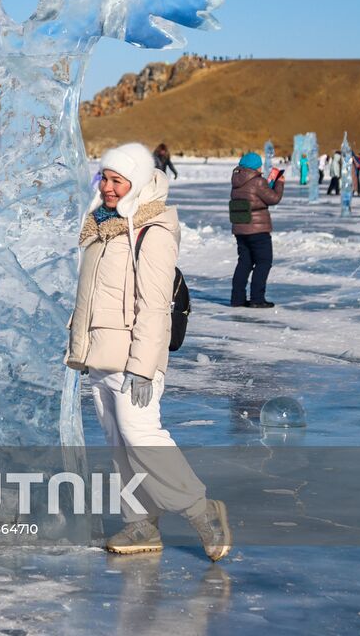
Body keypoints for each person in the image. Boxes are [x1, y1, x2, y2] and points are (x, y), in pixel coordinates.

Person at [65, 143, 231, 561]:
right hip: (102, 355)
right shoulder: (101, 227)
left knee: (143, 436)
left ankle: (201, 509)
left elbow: (154, 306)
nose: (107, 187)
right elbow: (90, 298)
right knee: (120, 443)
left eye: (117, 180)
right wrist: (81, 349)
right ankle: (141, 521)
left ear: (135, 182)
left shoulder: (151, 229)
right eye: (103, 178)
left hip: (134, 359)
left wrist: (142, 367)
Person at [230, 152, 284, 308]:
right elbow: (273, 198)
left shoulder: (236, 180)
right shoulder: (257, 182)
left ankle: (237, 298)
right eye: (259, 165)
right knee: (263, 262)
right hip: (257, 229)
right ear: (255, 166)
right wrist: (279, 183)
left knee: (244, 262)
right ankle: (257, 298)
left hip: (241, 228)